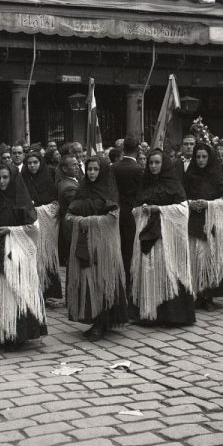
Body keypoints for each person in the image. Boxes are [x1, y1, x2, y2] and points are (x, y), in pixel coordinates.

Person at [0, 164, 47, 349]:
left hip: (17, 251)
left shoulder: (22, 199)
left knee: (17, 291)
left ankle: (18, 334)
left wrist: (11, 230)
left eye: (5, 177)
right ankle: (0, 332)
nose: (1, 181)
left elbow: (34, 228)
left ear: (12, 177)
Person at [131, 150, 195, 326]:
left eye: (157, 163)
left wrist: (159, 209)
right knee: (150, 270)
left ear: (164, 164)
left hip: (167, 238)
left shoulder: (173, 184)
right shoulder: (145, 183)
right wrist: (141, 210)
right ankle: (150, 313)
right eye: (150, 163)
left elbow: (183, 209)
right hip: (148, 235)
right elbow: (134, 208)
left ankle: (172, 315)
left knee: (168, 271)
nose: (153, 166)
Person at [66, 157, 127, 340]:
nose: (92, 172)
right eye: (89, 169)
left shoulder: (109, 191)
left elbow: (112, 218)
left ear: (102, 171)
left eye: (95, 169)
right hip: (84, 242)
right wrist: (78, 220)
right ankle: (94, 319)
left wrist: (88, 221)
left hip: (104, 246)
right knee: (88, 278)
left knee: (103, 279)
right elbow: (69, 215)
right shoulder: (82, 189)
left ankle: (103, 321)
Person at [184, 143, 223, 310]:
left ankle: (209, 297)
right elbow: (179, 197)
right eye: (198, 157)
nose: (200, 160)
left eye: (204, 157)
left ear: (210, 157)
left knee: (211, 258)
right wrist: (190, 203)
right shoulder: (190, 174)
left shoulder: (217, 174)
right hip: (194, 221)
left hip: (212, 222)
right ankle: (196, 294)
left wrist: (208, 204)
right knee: (196, 258)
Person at [22, 152, 63, 300]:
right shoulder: (23, 179)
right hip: (30, 225)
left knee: (47, 256)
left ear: (40, 163)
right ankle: (33, 292)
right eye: (29, 163)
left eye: (35, 162)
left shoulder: (48, 178)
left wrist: (41, 210)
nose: (32, 165)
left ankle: (49, 293)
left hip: (47, 225)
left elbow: (55, 203)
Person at [112, 135, 144, 289]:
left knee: (119, 244)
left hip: (117, 211)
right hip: (132, 212)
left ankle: (119, 278)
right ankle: (130, 280)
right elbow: (142, 192)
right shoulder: (138, 169)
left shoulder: (114, 167)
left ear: (123, 149)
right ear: (137, 150)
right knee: (131, 246)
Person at [56, 154, 80, 266]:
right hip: (71, 227)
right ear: (65, 169)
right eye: (74, 165)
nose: (77, 166)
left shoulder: (68, 182)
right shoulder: (69, 187)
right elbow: (77, 207)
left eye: (77, 164)